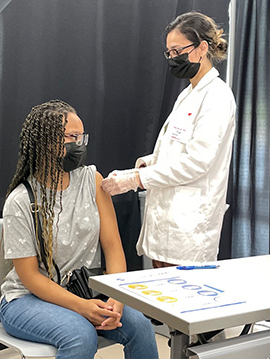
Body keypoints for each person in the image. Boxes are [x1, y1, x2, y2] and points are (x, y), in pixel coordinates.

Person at [0, 100, 159, 359]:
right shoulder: (20, 200)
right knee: (80, 335)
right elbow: (30, 277)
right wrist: (83, 307)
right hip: (27, 299)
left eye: (81, 136)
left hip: (84, 290)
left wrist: (116, 299)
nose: (80, 144)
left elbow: (113, 247)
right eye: (72, 137)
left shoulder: (93, 181)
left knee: (140, 326)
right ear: (46, 142)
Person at [102, 12, 236, 268]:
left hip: (189, 231)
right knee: (157, 299)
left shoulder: (217, 97)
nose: (173, 59)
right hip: (166, 225)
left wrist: (136, 180)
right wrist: (143, 166)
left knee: (180, 303)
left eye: (177, 51)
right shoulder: (189, 94)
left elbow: (197, 162)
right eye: (169, 53)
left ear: (202, 48)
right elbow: (179, 148)